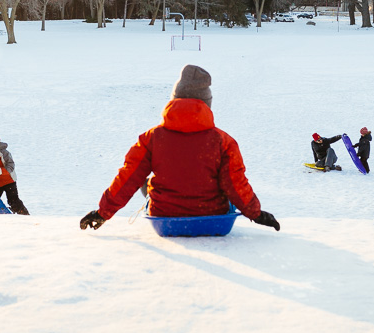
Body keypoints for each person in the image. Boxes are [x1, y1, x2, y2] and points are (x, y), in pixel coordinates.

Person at [80, 64, 279, 232]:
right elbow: (235, 184)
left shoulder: (152, 138)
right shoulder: (223, 141)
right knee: (225, 184)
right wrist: (256, 213)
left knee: (143, 179)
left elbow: (128, 178)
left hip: (166, 220)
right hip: (213, 219)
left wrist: (103, 212)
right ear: (207, 104)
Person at [0, 130, 29, 215]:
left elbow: (11, 166)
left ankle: (24, 215)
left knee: (13, 201)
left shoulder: (4, 153)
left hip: (9, 181)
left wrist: (0, 171)